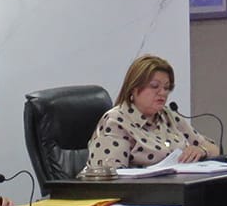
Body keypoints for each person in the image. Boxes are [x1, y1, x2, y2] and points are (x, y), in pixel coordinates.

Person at [85, 55, 220, 169]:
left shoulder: (168, 116)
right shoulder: (116, 121)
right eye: (155, 86)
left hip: (175, 188)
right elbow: (109, 176)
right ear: (134, 88)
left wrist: (202, 150)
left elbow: (214, 149)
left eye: (167, 88)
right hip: (140, 191)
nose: (162, 93)